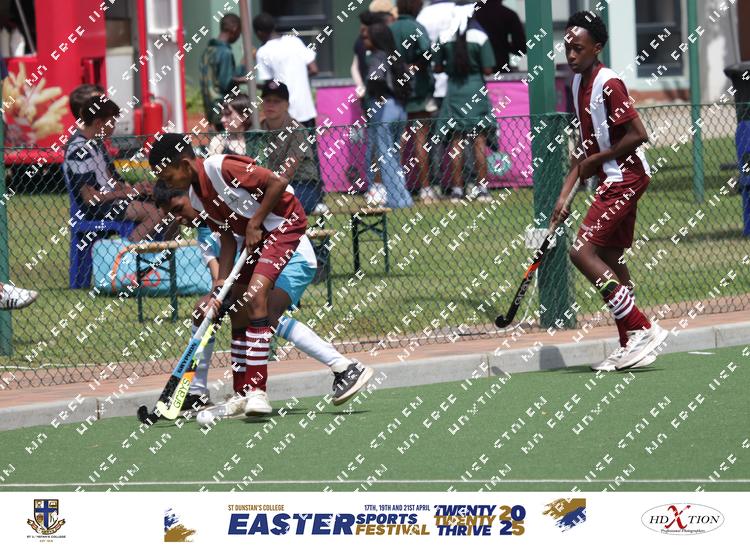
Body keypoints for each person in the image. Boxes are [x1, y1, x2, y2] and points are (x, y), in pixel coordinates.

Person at [149, 134, 371, 416]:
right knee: (238, 308)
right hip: (257, 239)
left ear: (183, 164)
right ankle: (242, 393)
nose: (167, 183)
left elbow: (277, 182)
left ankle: (259, 391)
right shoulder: (197, 197)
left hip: (283, 226)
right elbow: (227, 239)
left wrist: (254, 222)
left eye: (167, 176)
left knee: (258, 302)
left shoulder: (220, 166)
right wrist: (219, 288)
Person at [552, 12, 667, 372]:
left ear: (597, 48)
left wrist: (598, 160)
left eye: (578, 48)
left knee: (581, 252)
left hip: (626, 177)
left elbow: (639, 135)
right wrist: (563, 196)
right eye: (567, 48)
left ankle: (643, 328)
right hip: (612, 178)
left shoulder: (609, 84)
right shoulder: (576, 85)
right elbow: (583, 150)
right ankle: (630, 342)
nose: (571, 55)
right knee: (610, 257)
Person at [208, 87, 326, 215]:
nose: (271, 105)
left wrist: (268, 191)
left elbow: (288, 171)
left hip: (301, 184)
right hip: (268, 185)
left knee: (272, 204)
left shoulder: (298, 130)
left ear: (286, 105)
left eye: (276, 101)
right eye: (267, 100)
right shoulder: (257, 130)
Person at [63, 96, 164, 242]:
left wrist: (136, 188)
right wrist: (126, 193)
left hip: (111, 201)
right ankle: (127, 251)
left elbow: (110, 181)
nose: (114, 127)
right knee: (153, 212)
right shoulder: (79, 149)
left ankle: (164, 252)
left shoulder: (96, 144)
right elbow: (90, 198)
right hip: (97, 208)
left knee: (166, 205)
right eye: (112, 122)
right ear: (98, 123)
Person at [434, 11, 495, 201]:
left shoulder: (443, 36)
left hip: (454, 92)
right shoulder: (480, 36)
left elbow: (437, 67)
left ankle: (457, 190)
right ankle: (482, 189)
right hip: (475, 90)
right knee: (479, 142)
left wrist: (451, 67)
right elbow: (488, 69)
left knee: (456, 142)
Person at [390, 0, 438, 203]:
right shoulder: (416, 27)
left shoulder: (391, 28)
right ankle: (426, 188)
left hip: (396, 91)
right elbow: (428, 51)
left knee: (397, 142)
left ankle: (395, 188)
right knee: (421, 140)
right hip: (418, 91)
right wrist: (415, 67)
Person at [364, 22, 413, 209]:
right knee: (394, 156)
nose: (364, 40)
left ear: (376, 39)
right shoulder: (395, 55)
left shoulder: (378, 55)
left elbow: (375, 78)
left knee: (385, 157)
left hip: (384, 109)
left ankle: (398, 201)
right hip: (399, 108)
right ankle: (404, 197)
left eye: (367, 37)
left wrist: (379, 94)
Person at [253, 13, 318, 128]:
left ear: (259, 33)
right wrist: (297, 77)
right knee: (308, 140)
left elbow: (270, 87)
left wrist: (249, 83)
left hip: (285, 116)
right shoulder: (295, 41)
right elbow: (314, 69)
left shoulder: (263, 52)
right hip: (306, 111)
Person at [200, 13, 244, 131]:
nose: (239, 35)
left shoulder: (208, 50)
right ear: (234, 29)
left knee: (218, 138)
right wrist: (244, 79)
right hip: (223, 109)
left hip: (210, 108)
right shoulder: (225, 52)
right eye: (240, 31)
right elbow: (226, 83)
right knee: (230, 139)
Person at [351, 1, 397, 96]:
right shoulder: (381, 40)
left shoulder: (362, 39)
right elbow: (355, 66)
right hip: (381, 97)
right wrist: (361, 87)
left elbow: (354, 66)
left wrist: (361, 88)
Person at [473, 0, 527, 74]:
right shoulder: (509, 14)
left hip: (473, 69)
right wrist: (504, 45)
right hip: (500, 68)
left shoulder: (471, 13)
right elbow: (521, 49)